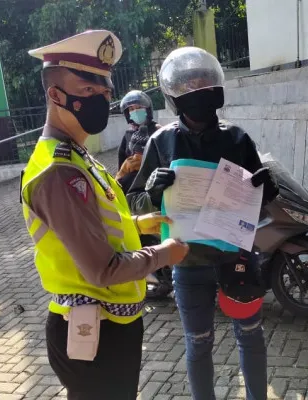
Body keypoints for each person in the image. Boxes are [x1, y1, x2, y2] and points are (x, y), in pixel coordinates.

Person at [23, 30, 189, 399]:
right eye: (87, 92)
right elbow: (103, 269)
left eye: (105, 92)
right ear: (55, 94)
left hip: (107, 324)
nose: (99, 100)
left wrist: (135, 224)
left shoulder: (76, 154)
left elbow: (91, 227)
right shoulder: (59, 169)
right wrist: (166, 254)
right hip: (93, 331)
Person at [127, 47, 279, 400]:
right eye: (188, 83)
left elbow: (258, 200)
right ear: (174, 95)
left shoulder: (237, 139)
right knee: (198, 345)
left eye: (203, 80)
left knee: (251, 337)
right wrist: (151, 191)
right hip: (187, 261)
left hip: (237, 257)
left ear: (216, 88)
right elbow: (133, 203)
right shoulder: (161, 141)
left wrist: (266, 190)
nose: (197, 87)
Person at [116, 90, 161, 193]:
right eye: (131, 109)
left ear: (147, 109)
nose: (135, 111)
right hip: (131, 188)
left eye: (139, 107)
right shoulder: (128, 134)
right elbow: (121, 159)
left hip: (152, 184)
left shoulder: (158, 130)